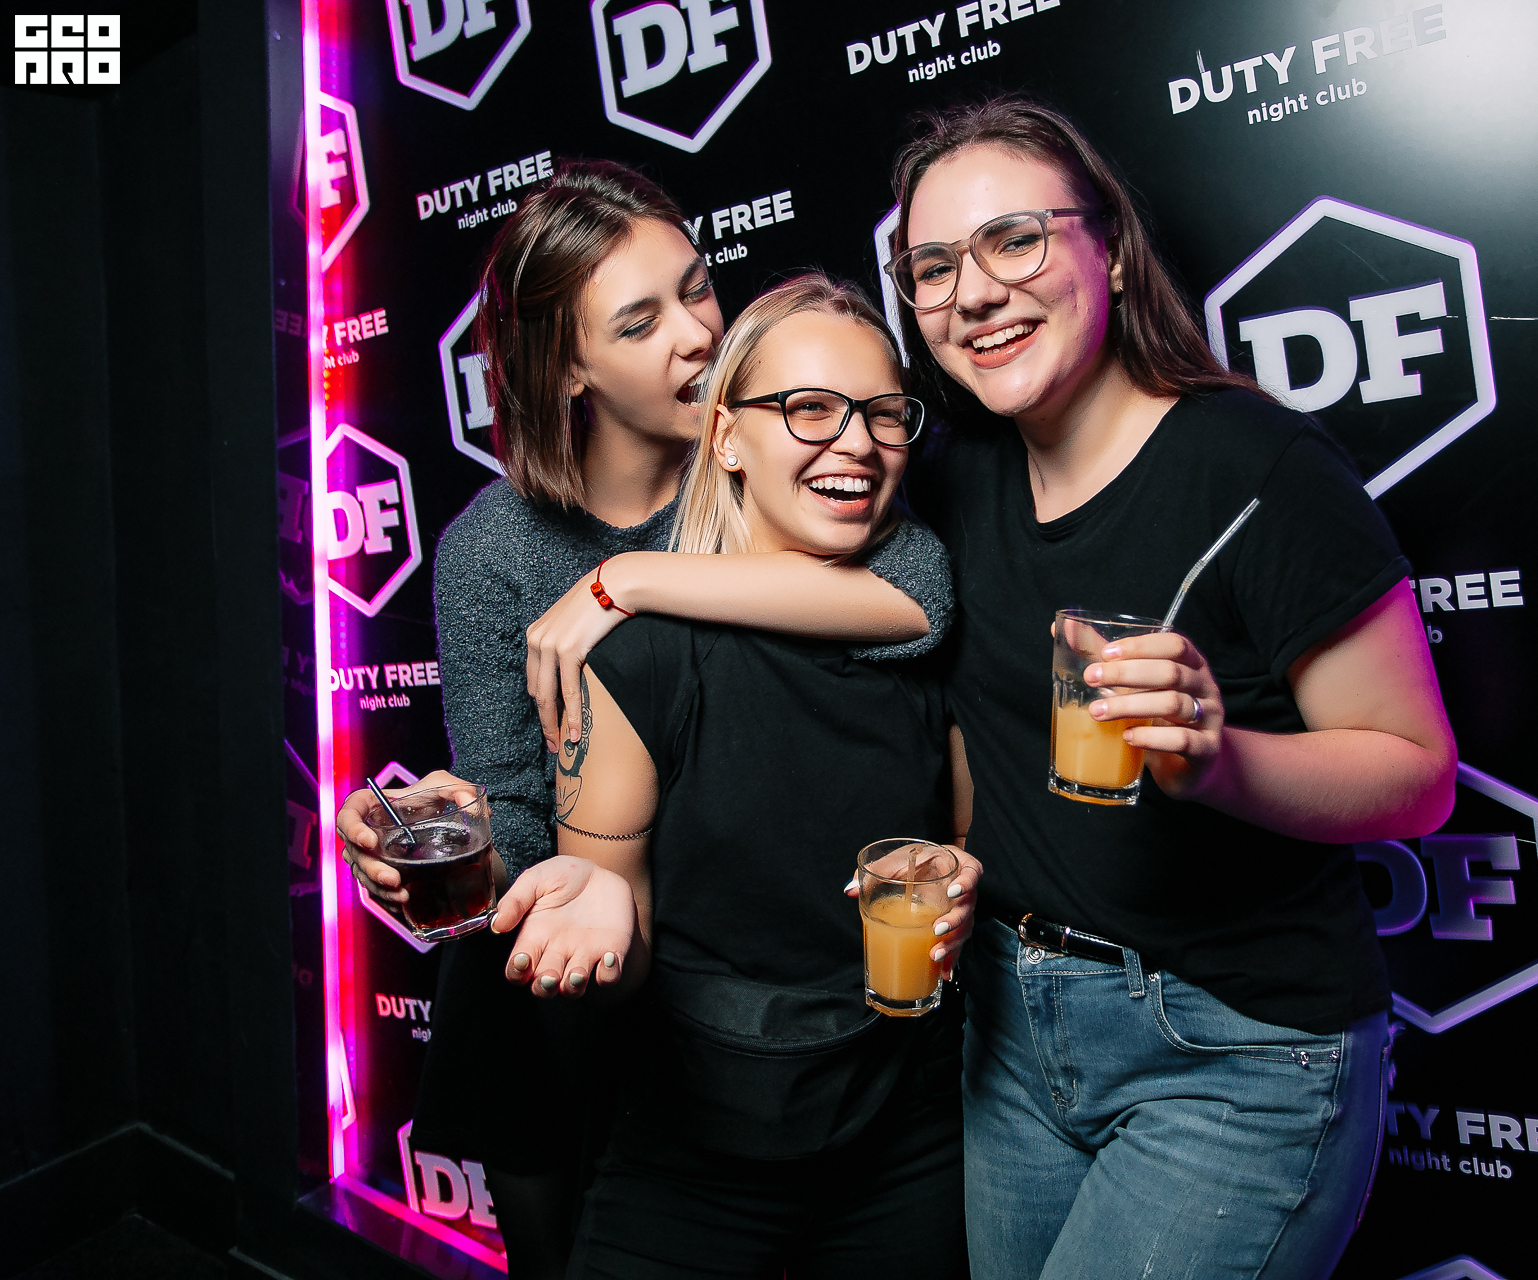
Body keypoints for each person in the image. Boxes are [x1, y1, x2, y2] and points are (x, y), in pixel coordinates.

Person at [334, 162, 952, 1278]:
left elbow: (915, 596)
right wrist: (449, 839)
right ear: (567, 365)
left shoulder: (779, 459)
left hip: (758, 991)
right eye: (640, 321)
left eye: (696, 288)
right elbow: (518, 813)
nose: (697, 334)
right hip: (569, 980)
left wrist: (628, 582)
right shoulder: (491, 550)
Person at [886, 98, 1458, 1279]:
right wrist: (614, 588)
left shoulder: (1258, 466)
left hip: (1233, 1050)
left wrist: (1219, 758)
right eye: (933, 267)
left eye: (1014, 240)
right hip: (1012, 1034)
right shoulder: (952, 475)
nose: (974, 293)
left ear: (1108, 246)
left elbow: (1419, 776)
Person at [491, 273, 978, 1279]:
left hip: (911, 1132)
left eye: (883, 413)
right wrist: (600, 920)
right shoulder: (635, 661)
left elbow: (972, 847)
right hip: (690, 1152)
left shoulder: (928, 639)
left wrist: (963, 875)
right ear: (726, 439)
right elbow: (616, 955)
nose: (855, 443)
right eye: (809, 408)